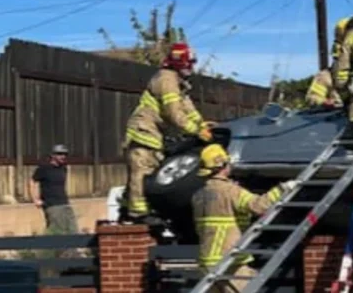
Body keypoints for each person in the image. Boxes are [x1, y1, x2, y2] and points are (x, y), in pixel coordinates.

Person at [121, 42, 216, 222]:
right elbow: (174, 114)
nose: (192, 67)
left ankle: (138, 209)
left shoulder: (179, 84)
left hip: (155, 133)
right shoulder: (166, 80)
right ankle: (138, 214)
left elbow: (189, 109)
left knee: (153, 172)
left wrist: (203, 125)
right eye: (189, 63)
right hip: (144, 130)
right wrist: (197, 131)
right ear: (180, 63)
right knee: (142, 171)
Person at [192, 144, 298, 292]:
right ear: (223, 165)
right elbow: (258, 206)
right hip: (228, 261)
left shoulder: (199, 195)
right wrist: (283, 189)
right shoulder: (229, 191)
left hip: (207, 260)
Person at [28, 144, 79, 235]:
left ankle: (72, 249)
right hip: (52, 205)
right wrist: (35, 200)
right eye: (60, 154)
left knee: (73, 230)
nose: (63, 156)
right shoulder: (44, 168)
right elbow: (32, 181)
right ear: (53, 155)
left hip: (65, 203)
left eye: (65, 154)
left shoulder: (63, 168)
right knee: (58, 231)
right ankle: (56, 249)